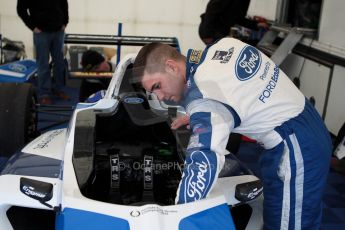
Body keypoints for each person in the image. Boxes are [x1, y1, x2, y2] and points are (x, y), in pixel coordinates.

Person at [132, 38, 332, 229]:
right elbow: (232, 93)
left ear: (171, 66)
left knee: (290, 224)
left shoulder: (204, 99)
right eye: (152, 92)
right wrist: (201, 114)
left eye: (157, 86)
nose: (160, 96)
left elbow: (203, 160)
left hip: (296, 144)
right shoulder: (223, 45)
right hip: (306, 120)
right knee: (280, 212)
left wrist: (178, 215)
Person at [17, 0, 69, 105]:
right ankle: (44, 94)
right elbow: (21, 9)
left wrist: (64, 22)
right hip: (41, 32)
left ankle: (59, 89)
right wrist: (32, 27)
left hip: (58, 31)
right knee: (43, 64)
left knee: (59, 63)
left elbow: (64, 4)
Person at [199, 0, 267, 45]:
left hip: (220, 30)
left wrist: (256, 24)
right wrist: (207, 35)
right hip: (211, 31)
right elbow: (211, 10)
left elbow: (237, 18)